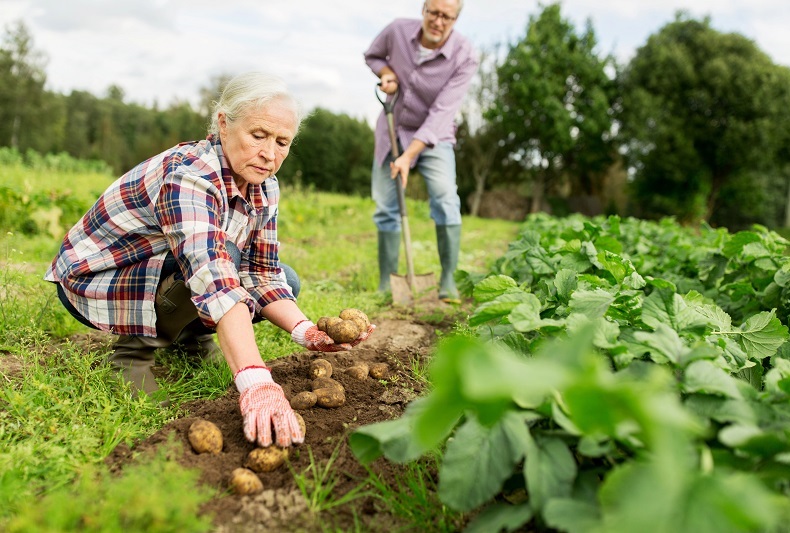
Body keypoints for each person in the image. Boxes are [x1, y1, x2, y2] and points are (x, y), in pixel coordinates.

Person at [45, 72, 374, 448]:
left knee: (287, 279)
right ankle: (133, 351)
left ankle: (191, 339)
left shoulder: (265, 185)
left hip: (164, 272)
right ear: (223, 124)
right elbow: (212, 273)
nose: (270, 153)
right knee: (224, 260)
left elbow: (262, 273)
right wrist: (255, 380)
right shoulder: (190, 174)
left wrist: (306, 332)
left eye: (282, 142)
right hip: (102, 279)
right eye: (258, 135)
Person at [364, 0, 478, 302]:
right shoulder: (397, 31)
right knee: (386, 206)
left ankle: (448, 280)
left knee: (445, 198)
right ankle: (387, 282)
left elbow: (443, 112)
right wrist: (387, 73)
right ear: (424, 10)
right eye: (434, 13)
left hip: (434, 137)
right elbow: (372, 55)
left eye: (447, 17)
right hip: (391, 128)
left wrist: (408, 155)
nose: (439, 21)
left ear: (455, 19)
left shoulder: (464, 56)